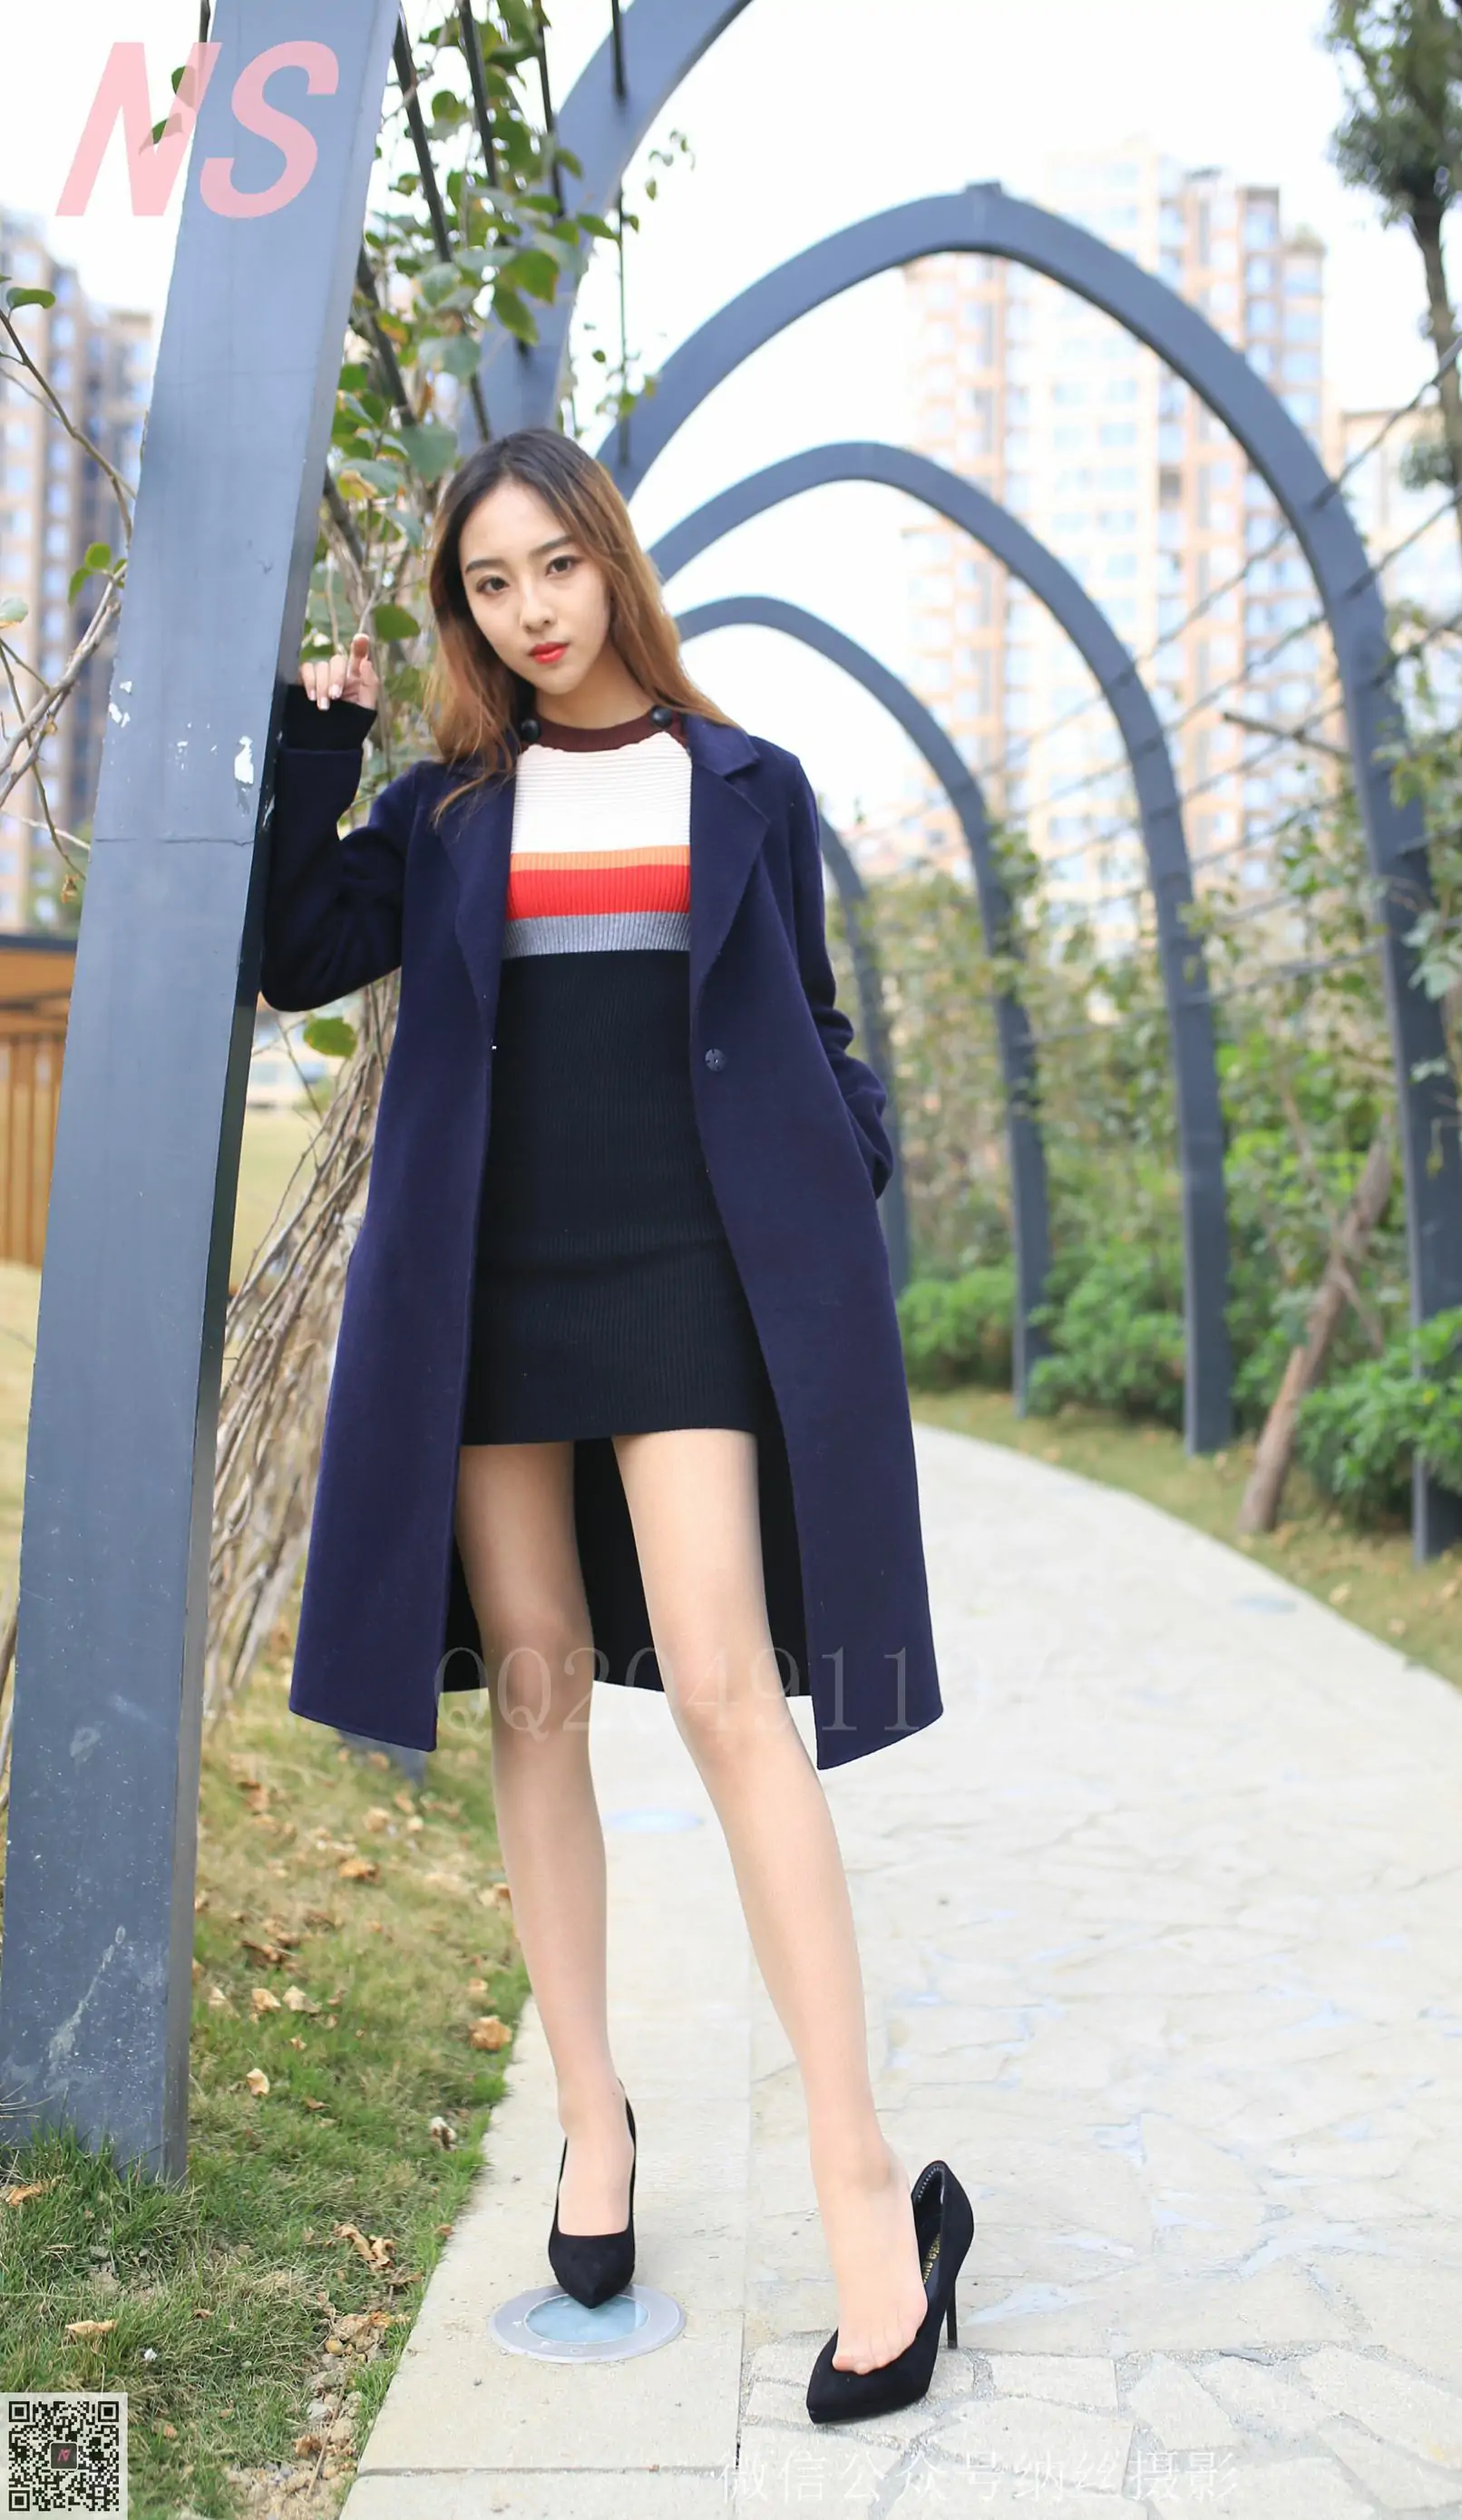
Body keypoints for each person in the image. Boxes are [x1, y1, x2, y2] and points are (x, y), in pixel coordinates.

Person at [261, 425, 972, 2422]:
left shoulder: (745, 782)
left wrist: (842, 1162)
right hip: (489, 1283)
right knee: (540, 1680)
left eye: (553, 566)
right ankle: (593, 2119)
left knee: (734, 1694)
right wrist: (321, 742)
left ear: (610, 560)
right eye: (489, 584)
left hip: (686, 1285)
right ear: (464, 610)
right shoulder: (444, 806)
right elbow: (294, 958)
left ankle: (861, 2191)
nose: (531, 610)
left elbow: (814, 1024)